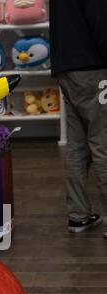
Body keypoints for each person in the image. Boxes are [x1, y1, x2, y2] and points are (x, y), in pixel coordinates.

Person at [49, 0, 107, 236]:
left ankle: (78, 215)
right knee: (102, 141)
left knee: (77, 144)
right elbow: (100, 22)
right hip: (93, 67)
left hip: (67, 67)